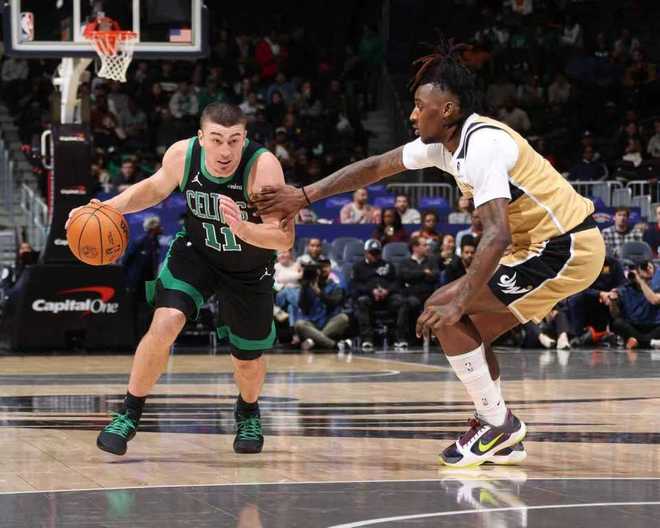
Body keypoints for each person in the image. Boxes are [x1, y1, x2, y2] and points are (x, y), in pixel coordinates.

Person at [252, 40, 605, 467]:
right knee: (468, 332)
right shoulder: (443, 146)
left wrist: (459, 299)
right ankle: (498, 428)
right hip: (540, 247)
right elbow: (375, 167)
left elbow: (495, 235)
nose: (412, 114)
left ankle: (497, 425)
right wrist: (303, 195)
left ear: (448, 110)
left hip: (565, 246)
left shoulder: (483, 145)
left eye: (421, 107)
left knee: (444, 309)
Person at [67, 103, 294, 457]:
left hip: (249, 266)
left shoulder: (262, 167)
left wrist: (242, 228)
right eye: (216, 139)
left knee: (247, 360)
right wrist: (104, 208)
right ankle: (128, 412)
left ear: (245, 137)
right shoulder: (183, 154)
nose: (225, 150)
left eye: (234, 140)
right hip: (197, 252)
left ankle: (248, 411)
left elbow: (283, 238)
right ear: (201, 137)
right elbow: (154, 188)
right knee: (166, 321)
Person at [352, 239, 408, 351]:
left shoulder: (388, 265)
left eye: (377, 253)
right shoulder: (358, 267)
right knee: (362, 301)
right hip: (369, 296)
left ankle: (400, 338)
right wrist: (371, 291)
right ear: (366, 252)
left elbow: (396, 283)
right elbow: (356, 285)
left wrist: (387, 291)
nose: (375, 256)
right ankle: (367, 339)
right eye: (372, 253)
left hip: (387, 297)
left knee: (402, 302)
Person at [294, 258, 350, 351]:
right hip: (312, 323)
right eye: (321, 267)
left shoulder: (335, 286)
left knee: (343, 318)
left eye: (326, 267)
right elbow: (303, 307)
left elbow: (334, 303)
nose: (323, 269)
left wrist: (319, 293)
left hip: (329, 322)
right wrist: (304, 288)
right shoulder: (308, 286)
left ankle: (313, 341)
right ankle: (335, 345)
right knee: (299, 324)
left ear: (330, 269)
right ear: (317, 271)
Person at [609, 261, 660, 349]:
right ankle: (649, 343)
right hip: (633, 326)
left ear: (654, 272)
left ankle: (638, 342)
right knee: (617, 323)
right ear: (637, 271)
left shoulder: (657, 287)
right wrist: (612, 302)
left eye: (650, 267)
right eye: (644, 267)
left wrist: (640, 281)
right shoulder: (625, 289)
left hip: (653, 325)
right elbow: (615, 314)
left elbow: (654, 300)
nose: (647, 269)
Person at [399, 237, 440, 337]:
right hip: (412, 295)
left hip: (429, 295)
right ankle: (405, 337)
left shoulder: (431, 261)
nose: (428, 247)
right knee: (409, 304)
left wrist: (416, 276)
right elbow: (406, 276)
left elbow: (435, 275)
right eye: (425, 245)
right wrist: (423, 272)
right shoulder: (405, 262)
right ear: (415, 248)